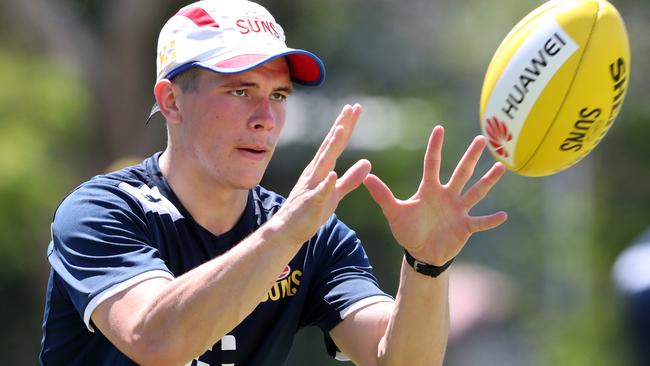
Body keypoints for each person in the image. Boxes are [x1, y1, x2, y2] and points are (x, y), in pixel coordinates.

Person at [39, 1, 507, 365]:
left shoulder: (311, 232)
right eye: (240, 90)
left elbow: (395, 360)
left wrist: (426, 266)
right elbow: (154, 340)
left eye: (278, 94)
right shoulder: (101, 210)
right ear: (172, 101)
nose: (265, 118)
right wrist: (284, 233)